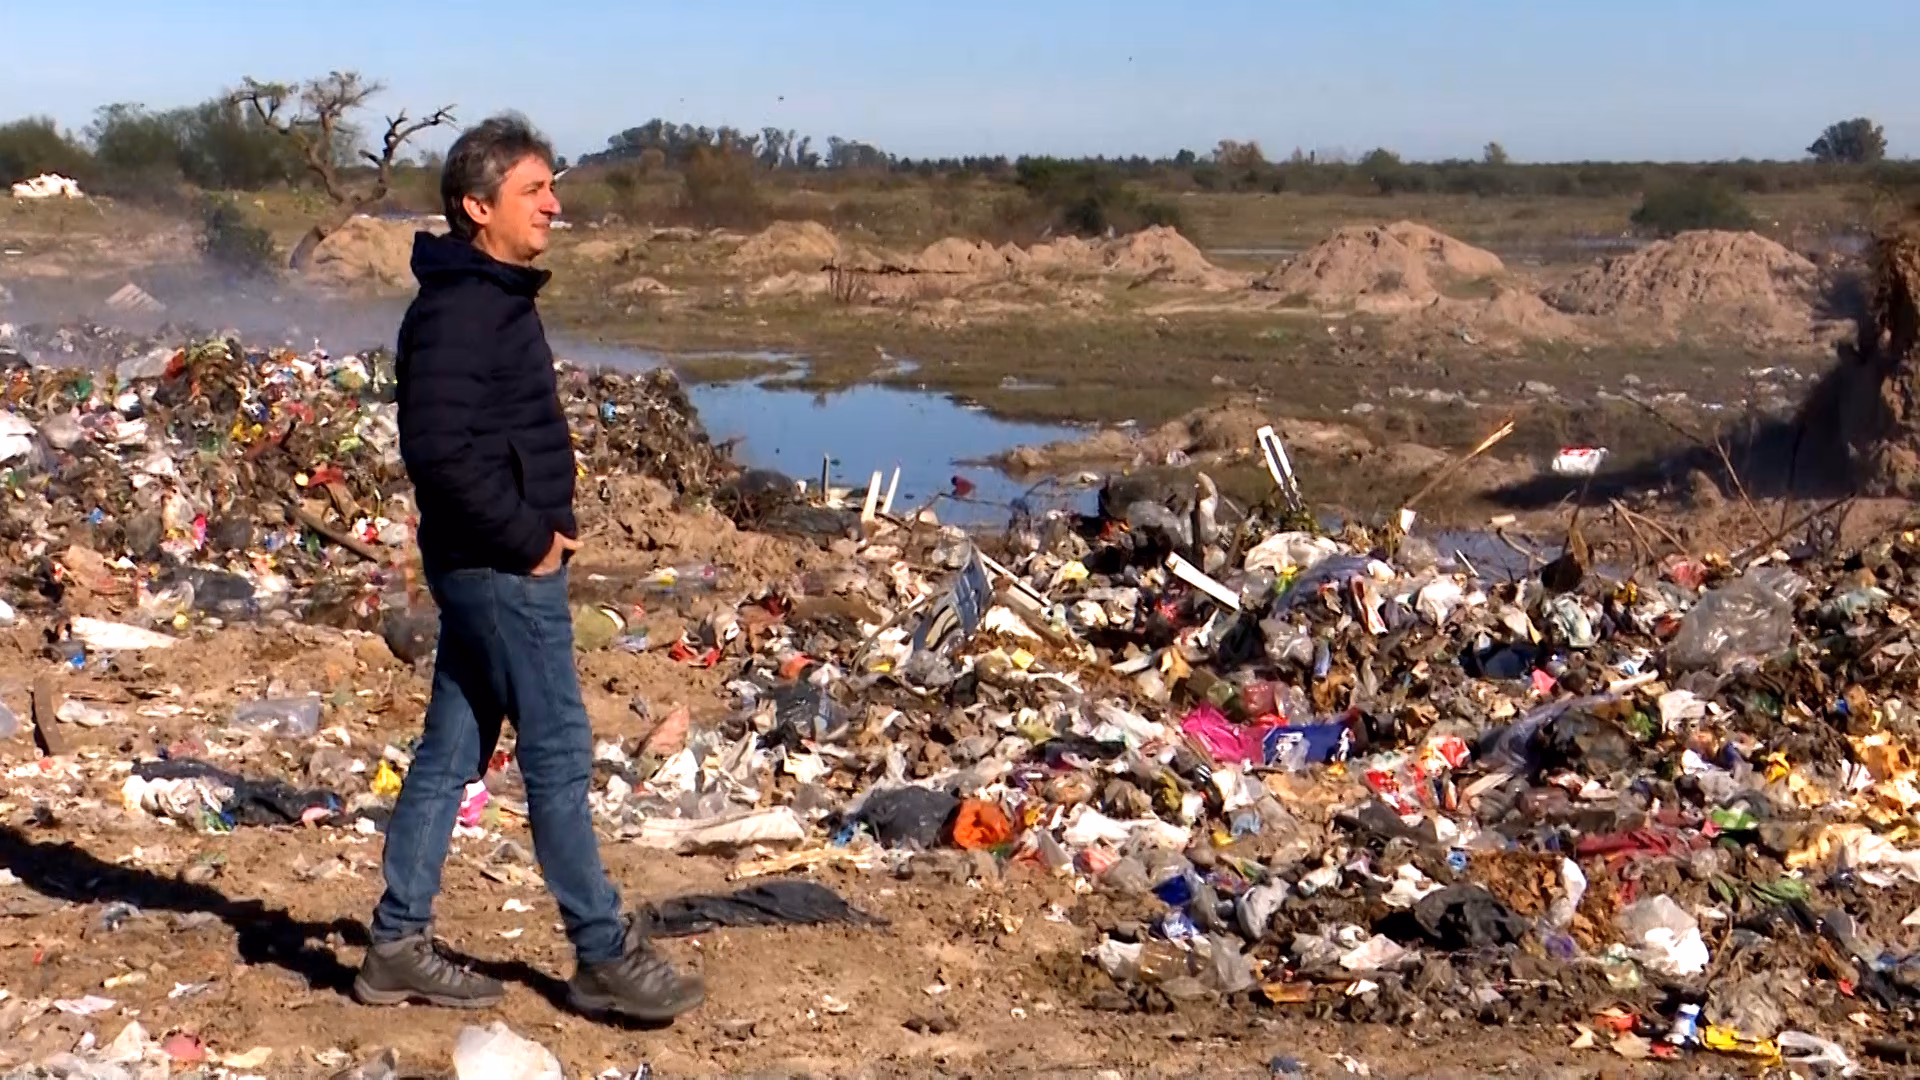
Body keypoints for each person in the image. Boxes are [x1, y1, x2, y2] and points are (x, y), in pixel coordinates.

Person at [352, 114, 705, 1023]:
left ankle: (395, 945)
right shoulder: (462, 310)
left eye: (553, 188)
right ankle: (602, 953)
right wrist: (530, 540)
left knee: (451, 750)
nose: (553, 205)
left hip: (493, 563)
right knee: (556, 752)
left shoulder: (493, 297)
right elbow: (438, 452)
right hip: (501, 570)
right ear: (478, 206)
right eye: (533, 190)